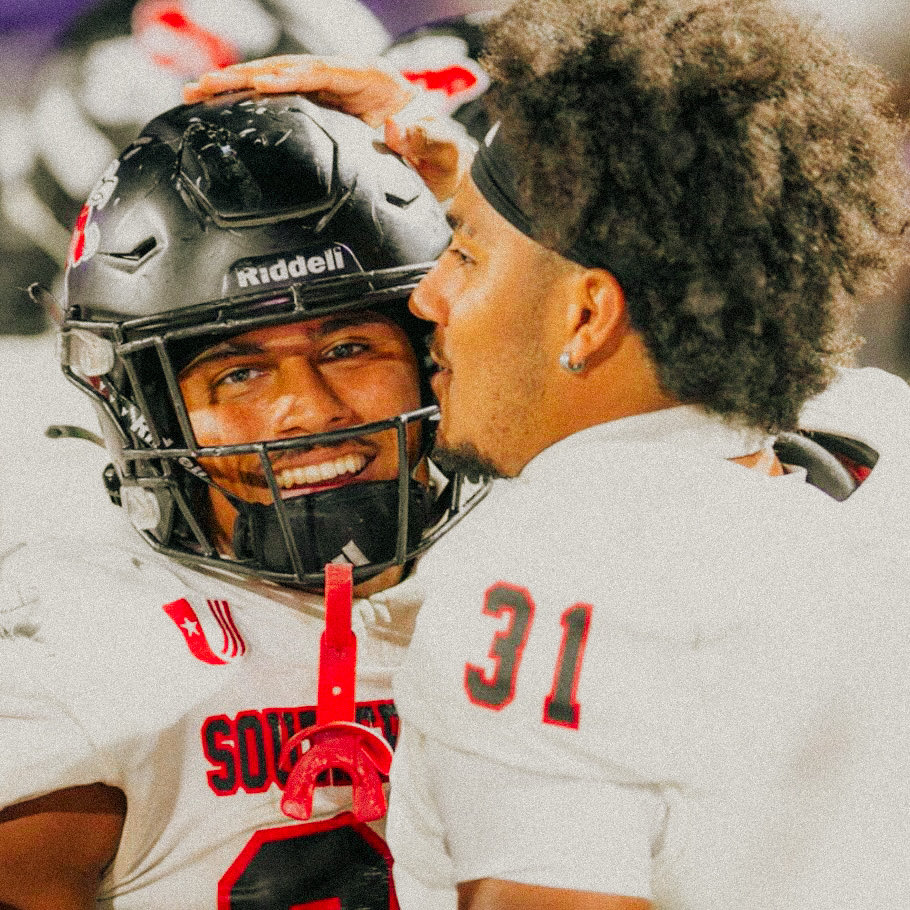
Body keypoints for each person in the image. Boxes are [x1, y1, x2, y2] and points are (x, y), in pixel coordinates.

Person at [184, 0, 910, 907]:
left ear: (587, 316)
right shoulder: (876, 450)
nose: (428, 299)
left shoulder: (546, 570)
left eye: (466, 258)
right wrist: (486, 185)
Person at [0, 93, 486, 909]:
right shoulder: (82, 653)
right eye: (240, 371)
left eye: (348, 346)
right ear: (148, 408)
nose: (314, 408)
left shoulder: (535, 574)